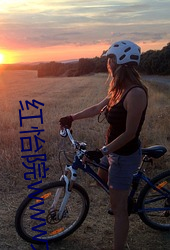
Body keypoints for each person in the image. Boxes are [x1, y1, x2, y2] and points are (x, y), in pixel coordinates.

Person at [59, 40, 148, 250]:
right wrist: (72, 117)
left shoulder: (135, 93)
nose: (108, 63)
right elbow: (97, 108)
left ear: (119, 63)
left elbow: (129, 133)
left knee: (119, 210)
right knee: (102, 179)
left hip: (124, 155)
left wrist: (102, 151)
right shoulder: (119, 89)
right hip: (112, 151)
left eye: (111, 59)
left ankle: (121, 216)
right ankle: (121, 195)